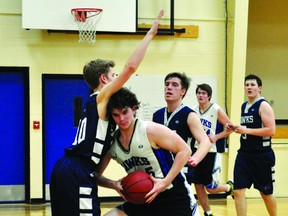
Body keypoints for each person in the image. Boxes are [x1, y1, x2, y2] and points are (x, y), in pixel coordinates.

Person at [49, 10, 164, 216]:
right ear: (103, 79)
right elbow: (130, 67)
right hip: (77, 170)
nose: (116, 77)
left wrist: (113, 183)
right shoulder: (101, 98)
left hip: (68, 169)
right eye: (113, 75)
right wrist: (150, 35)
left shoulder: (98, 107)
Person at [93, 87, 200, 216]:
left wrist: (165, 181)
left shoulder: (150, 130)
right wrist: (114, 184)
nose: (121, 118)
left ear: (133, 109)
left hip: (172, 195)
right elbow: (96, 175)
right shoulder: (113, 143)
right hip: (141, 198)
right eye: (116, 115)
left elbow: (185, 151)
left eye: (124, 112)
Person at [226, 74, 277, 216]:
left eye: (252, 85)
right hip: (244, 154)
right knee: (237, 190)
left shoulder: (263, 105)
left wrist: (246, 130)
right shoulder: (245, 106)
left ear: (259, 88)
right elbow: (249, 127)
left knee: (265, 193)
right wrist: (236, 127)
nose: (249, 87)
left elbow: (271, 130)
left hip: (261, 155)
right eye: (247, 85)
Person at [152, 72, 211, 184]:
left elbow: (205, 141)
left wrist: (195, 158)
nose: (169, 87)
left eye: (174, 85)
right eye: (167, 84)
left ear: (182, 91)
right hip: (160, 169)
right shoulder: (157, 115)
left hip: (181, 170)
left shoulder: (189, 115)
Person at [192, 83, 234, 216]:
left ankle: (229, 187)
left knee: (210, 187)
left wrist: (216, 137)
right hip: (197, 151)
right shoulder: (193, 110)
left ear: (209, 96)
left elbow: (231, 128)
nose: (201, 95)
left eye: (204, 93)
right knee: (198, 185)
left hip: (212, 151)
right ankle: (208, 213)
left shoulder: (216, 109)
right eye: (199, 93)